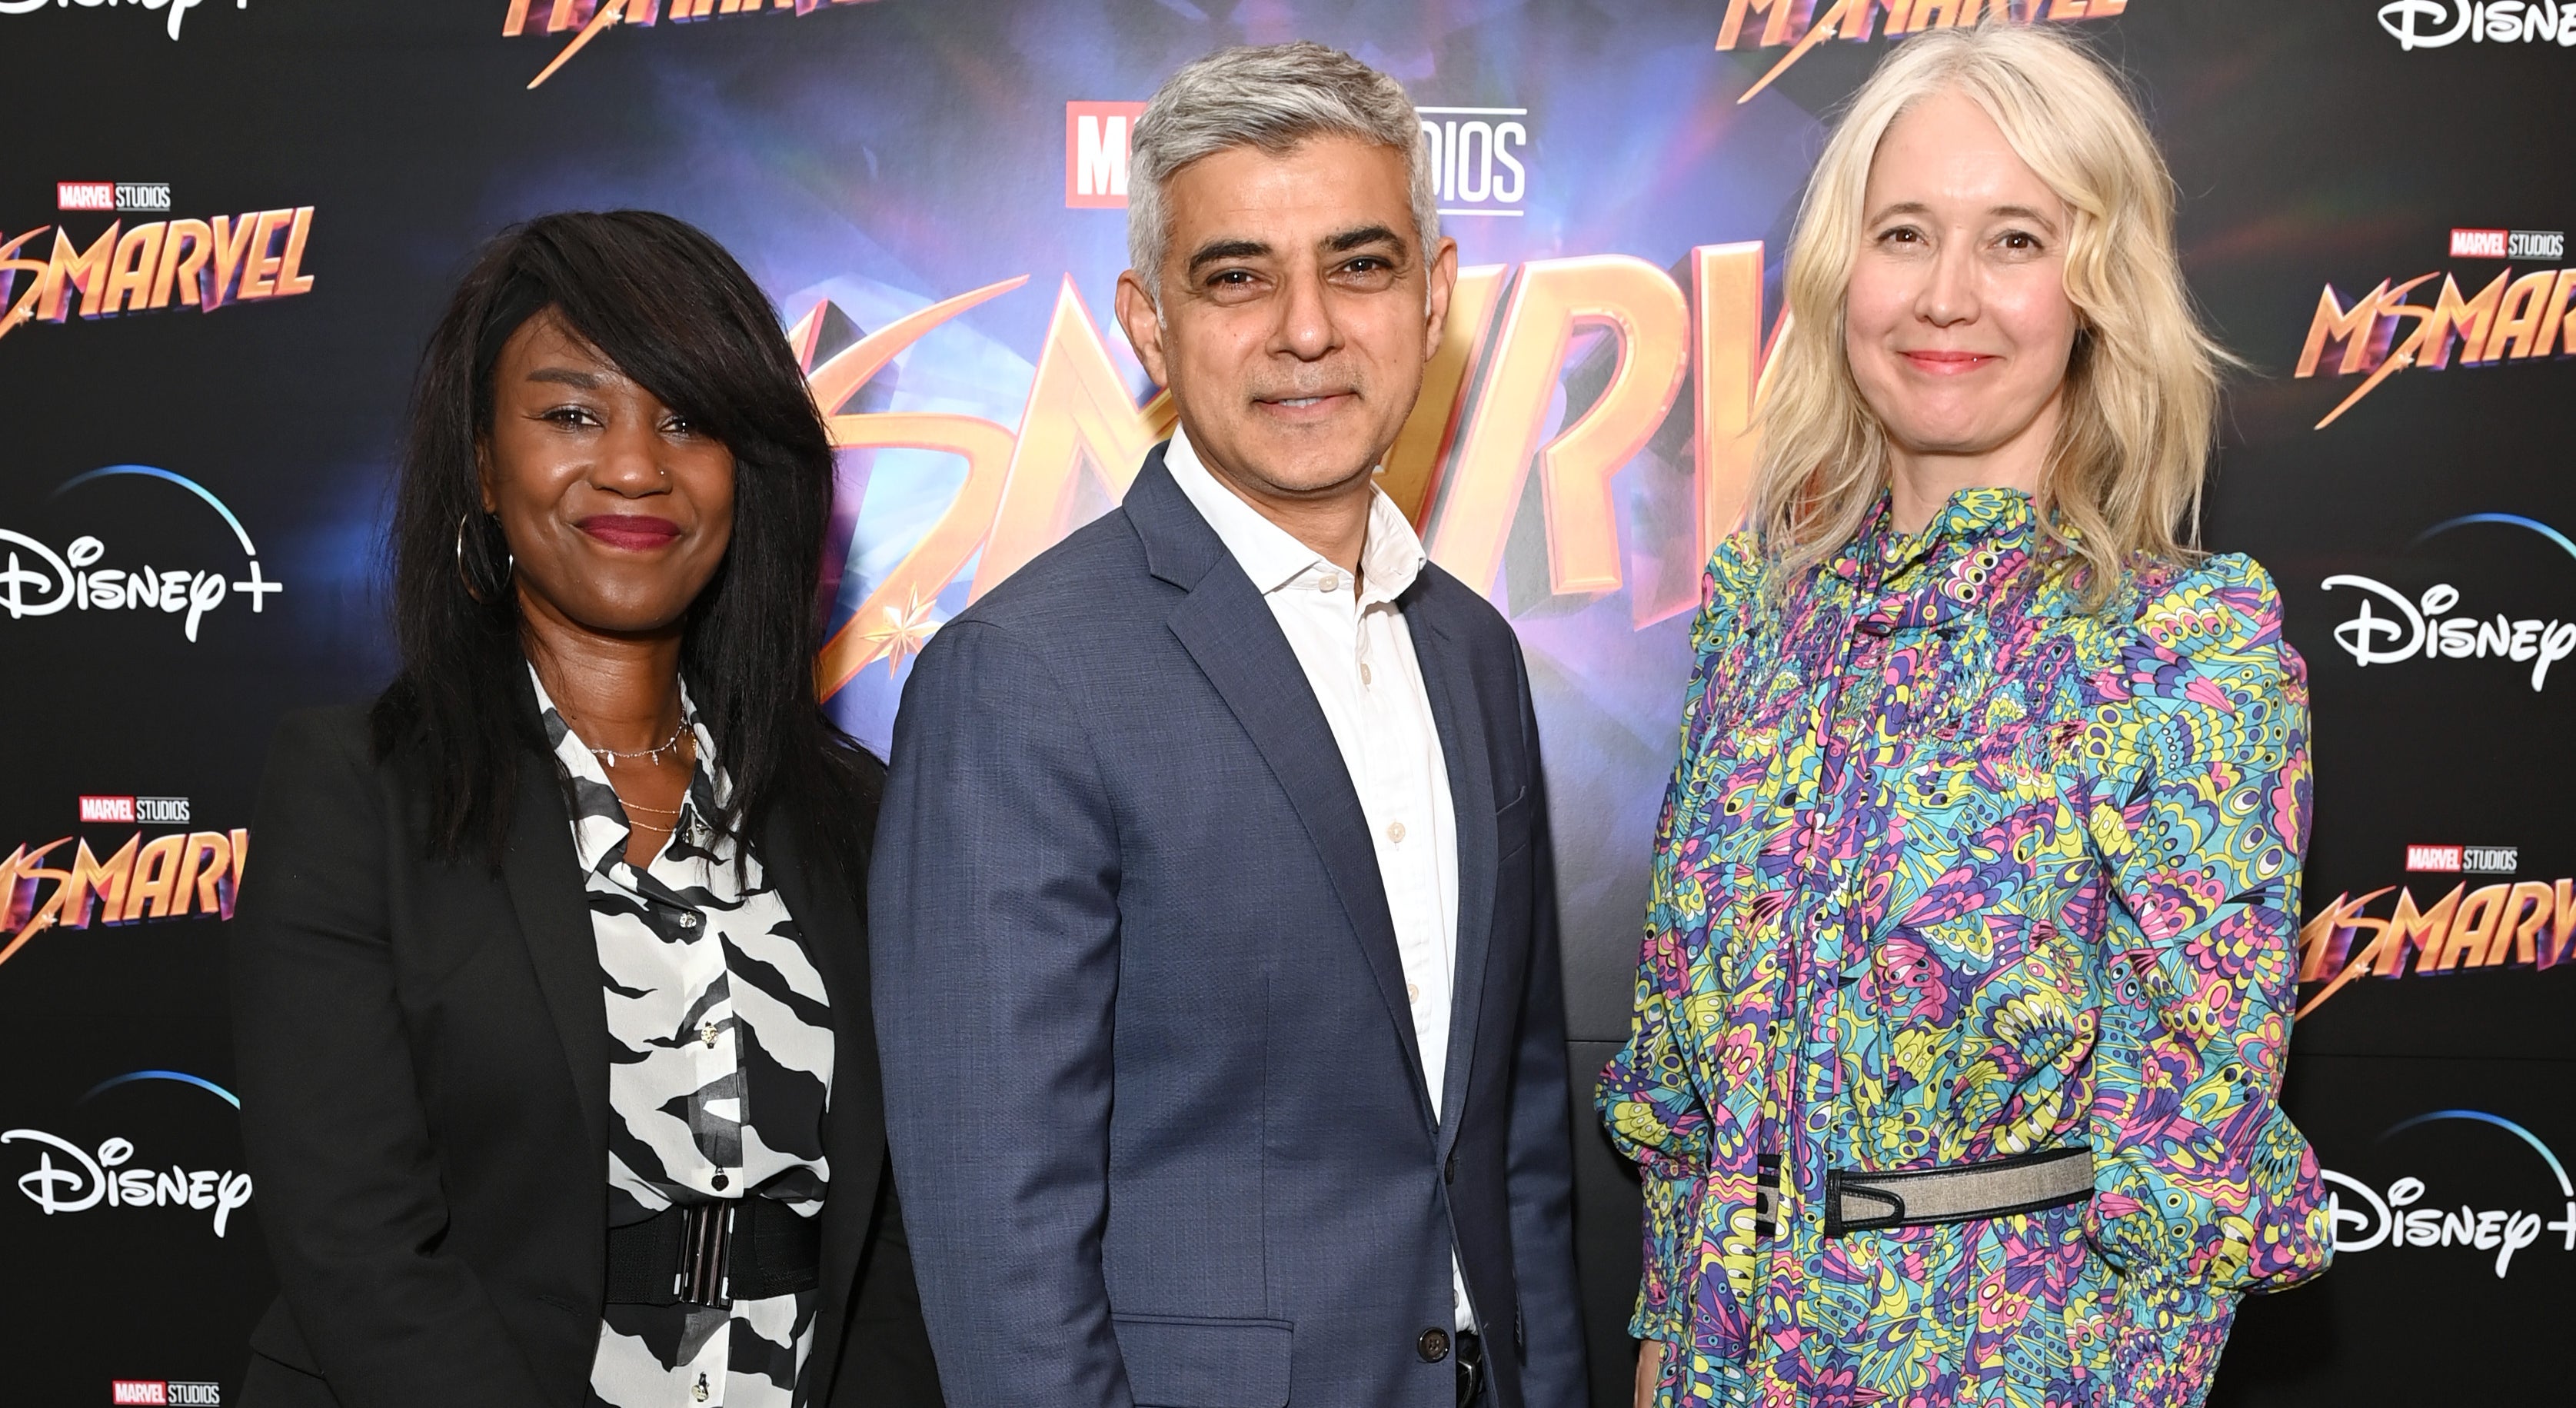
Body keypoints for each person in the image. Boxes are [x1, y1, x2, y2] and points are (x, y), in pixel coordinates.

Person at [1598, 25, 2331, 1408]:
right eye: (1903, 234)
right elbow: (1691, 1101)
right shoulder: (1761, 611)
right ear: (1839, 273)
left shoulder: (2181, 653)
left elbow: (2187, 1150)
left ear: (2095, 286)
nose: (1946, 297)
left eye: (2012, 240)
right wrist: (1666, 1350)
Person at [869, 41, 1587, 1408]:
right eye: (1239, 275)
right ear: (1149, 324)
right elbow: (995, 1228)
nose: (1306, 328)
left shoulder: (1472, 655)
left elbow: (1512, 1137)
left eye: (1360, 265)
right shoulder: (1021, 675)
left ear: (1432, 299)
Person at [230, 211, 942, 1408]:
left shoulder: (852, 816)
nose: (632, 467)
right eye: (572, 414)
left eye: (686, 419)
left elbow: (896, 1242)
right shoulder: (356, 789)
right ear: (481, 464)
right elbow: (358, 1247)